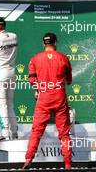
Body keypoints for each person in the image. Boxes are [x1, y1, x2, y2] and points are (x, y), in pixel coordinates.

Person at [22, 33, 72, 169]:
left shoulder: (35, 59)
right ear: (55, 43)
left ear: (43, 44)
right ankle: (67, 164)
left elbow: (32, 80)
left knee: (36, 131)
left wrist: (38, 89)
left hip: (44, 98)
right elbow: (69, 81)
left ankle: (28, 159)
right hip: (60, 97)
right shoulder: (64, 58)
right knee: (64, 133)